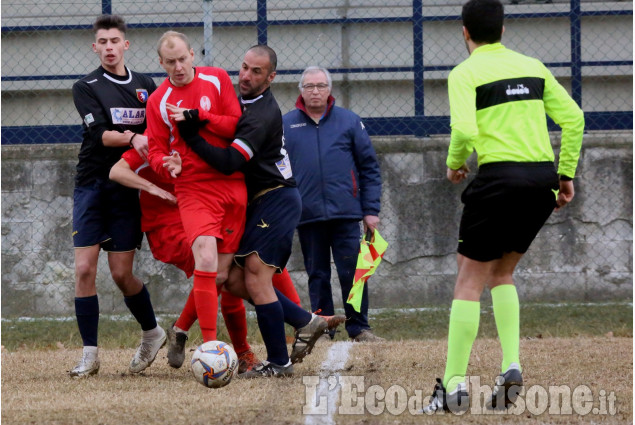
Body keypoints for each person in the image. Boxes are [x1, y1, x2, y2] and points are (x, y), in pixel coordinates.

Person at [422, 0, 584, 414]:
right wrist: (564, 174)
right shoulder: (533, 66)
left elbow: (463, 129)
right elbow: (575, 119)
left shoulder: (464, 73)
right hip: (540, 180)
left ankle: (454, 387)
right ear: (504, 29)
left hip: (499, 180)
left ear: (464, 32)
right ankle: (510, 364)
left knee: (468, 278)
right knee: (503, 272)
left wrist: (454, 164)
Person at [164, 45, 345, 378]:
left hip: (275, 198)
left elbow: (230, 160)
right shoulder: (237, 99)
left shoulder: (263, 114)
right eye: (244, 67)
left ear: (271, 77)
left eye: (256, 71)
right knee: (229, 278)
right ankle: (305, 321)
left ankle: (279, 362)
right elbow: (216, 123)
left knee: (257, 279)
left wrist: (190, 135)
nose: (245, 75)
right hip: (253, 201)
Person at [109, 148, 302, 373]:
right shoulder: (154, 142)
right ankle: (294, 325)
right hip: (169, 226)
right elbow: (117, 171)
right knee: (223, 270)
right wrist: (153, 188)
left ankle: (193, 334)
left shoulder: (202, 139)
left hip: (208, 215)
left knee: (246, 261)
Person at [69, 14, 165, 378]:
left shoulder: (145, 85)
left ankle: (152, 333)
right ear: (95, 47)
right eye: (102, 42)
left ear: (126, 44)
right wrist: (134, 137)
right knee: (84, 268)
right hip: (92, 186)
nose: (109, 47)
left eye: (115, 41)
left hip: (127, 189)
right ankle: (89, 354)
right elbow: (102, 136)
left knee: (123, 274)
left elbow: (160, 128)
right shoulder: (86, 86)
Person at [145, 31, 246, 348]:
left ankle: (187, 331)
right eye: (170, 62)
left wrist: (197, 117)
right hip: (193, 187)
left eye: (182, 59)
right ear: (161, 63)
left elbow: (234, 123)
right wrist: (166, 166)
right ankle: (211, 347)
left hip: (231, 181)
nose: (178, 67)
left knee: (224, 274)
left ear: (192, 54)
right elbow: (155, 151)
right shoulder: (157, 101)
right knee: (205, 258)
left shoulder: (216, 79)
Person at [282, 66, 384, 342]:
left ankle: (359, 327)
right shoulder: (286, 124)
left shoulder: (349, 122)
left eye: (320, 85)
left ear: (330, 89)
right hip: (307, 215)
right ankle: (324, 328)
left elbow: (369, 168)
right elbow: (278, 169)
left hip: (346, 213)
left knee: (354, 274)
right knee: (317, 274)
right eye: (309, 86)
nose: (315, 91)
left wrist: (371, 211)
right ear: (300, 91)